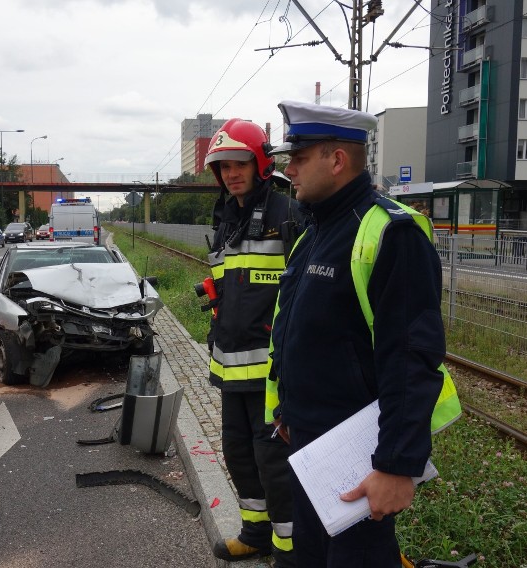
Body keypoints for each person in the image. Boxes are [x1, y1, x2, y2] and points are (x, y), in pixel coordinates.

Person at [266, 101, 449, 566]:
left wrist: (396, 464)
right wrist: (289, 410)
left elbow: (411, 357)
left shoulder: (392, 232)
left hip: (359, 453)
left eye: (299, 158)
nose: (289, 170)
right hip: (309, 443)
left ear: (337, 160)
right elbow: (300, 331)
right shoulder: (314, 234)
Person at [202, 118, 302, 567]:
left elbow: (305, 290)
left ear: (259, 162)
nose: (231, 174)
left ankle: (290, 552)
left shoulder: (288, 213)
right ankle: (255, 534)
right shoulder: (226, 219)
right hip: (230, 370)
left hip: (271, 374)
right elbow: (227, 287)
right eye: (223, 167)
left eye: (239, 163)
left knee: (274, 465)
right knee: (239, 456)